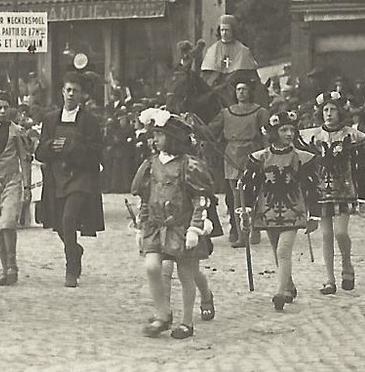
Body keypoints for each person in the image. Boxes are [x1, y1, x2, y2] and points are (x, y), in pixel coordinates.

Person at [131, 110, 216, 339]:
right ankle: (162, 313)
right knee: (151, 266)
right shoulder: (151, 164)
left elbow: (200, 199)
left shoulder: (188, 165)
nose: (154, 139)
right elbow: (146, 196)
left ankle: (187, 322)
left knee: (186, 275)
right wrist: (142, 224)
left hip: (182, 226)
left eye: (160, 135)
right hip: (156, 227)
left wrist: (195, 228)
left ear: (173, 138)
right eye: (154, 135)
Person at [236, 111, 319, 312]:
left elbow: (312, 187)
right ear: (274, 132)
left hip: (293, 209)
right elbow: (250, 185)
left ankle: (280, 292)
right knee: (276, 249)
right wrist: (246, 209)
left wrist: (314, 214)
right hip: (268, 210)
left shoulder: (302, 158)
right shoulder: (260, 158)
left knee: (283, 250)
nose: (289, 134)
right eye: (284, 130)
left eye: (291, 129)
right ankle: (289, 286)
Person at [34, 74, 106, 287]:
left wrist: (71, 147)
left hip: (81, 177)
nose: (72, 94)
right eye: (68, 90)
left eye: (76, 90)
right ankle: (75, 249)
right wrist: (50, 147)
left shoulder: (90, 121)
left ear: (82, 95)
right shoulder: (50, 119)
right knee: (58, 224)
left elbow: (97, 152)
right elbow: (39, 151)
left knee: (68, 219)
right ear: (62, 92)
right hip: (57, 178)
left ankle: (71, 269)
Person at [300, 90, 365, 295]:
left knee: (341, 232)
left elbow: (361, 167)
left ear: (340, 112)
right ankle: (329, 279)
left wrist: (363, 196)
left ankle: (347, 264)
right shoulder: (312, 136)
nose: (329, 114)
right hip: (321, 192)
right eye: (325, 110)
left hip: (344, 190)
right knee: (326, 235)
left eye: (333, 110)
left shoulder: (351, 135)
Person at [207, 71, 268, 247]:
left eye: (244, 89)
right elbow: (211, 130)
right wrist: (195, 124)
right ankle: (242, 234)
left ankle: (255, 229)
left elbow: (267, 134)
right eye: (238, 90)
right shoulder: (226, 113)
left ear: (250, 92)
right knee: (236, 196)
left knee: (253, 193)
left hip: (252, 152)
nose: (241, 92)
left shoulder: (259, 112)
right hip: (232, 154)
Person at [0, 96, 33, 287]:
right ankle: (4, 267)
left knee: (7, 221)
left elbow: (25, 159)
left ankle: (12, 265)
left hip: (12, 180)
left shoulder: (17, 132)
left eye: (6, 107)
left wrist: (27, 186)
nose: (3, 111)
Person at [199, 15, 259, 107]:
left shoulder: (243, 50)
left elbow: (251, 76)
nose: (224, 33)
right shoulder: (212, 50)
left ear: (233, 31)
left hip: (236, 87)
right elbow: (206, 76)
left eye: (227, 30)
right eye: (222, 30)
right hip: (216, 87)